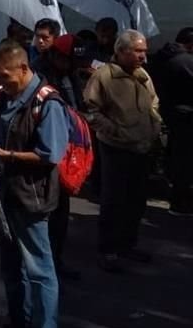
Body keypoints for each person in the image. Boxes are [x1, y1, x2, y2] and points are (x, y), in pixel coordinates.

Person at [0, 40, 66, 328]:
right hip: (4, 195)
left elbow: (50, 154)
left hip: (32, 196)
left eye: (4, 75)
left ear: (24, 67)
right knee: (10, 268)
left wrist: (9, 156)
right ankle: (18, 325)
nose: (0, 82)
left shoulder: (48, 102)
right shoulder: (5, 97)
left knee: (39, 269)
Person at [83, 29, 161, 272]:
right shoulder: (104, 77)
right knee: (113, 200)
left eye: (144, 52)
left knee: (136, 200)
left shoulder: (142, 75)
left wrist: (154, 123)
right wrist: (116, 131)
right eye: (138, 51)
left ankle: (128, 244)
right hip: (116, 148)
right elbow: (91, 111)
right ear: (121, 51)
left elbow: (153, 102)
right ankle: (108, 250)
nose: (143, 57)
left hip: (142, 147)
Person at [31, 33, 87, 281]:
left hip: (68, 149)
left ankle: (56, 259)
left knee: (61, 210)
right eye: (67, 60)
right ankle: (43, 265)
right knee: (47, 212)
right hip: (46, 150)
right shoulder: (39, 78)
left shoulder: (70, 74)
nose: (71, 65)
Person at [150, 27, 193, 216]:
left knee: (177, 157)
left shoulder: (161, 57)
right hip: (186, 117)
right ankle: (181, 202)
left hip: (169, 113)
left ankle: (177, 198)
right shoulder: (185, 61)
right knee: (185, 161)